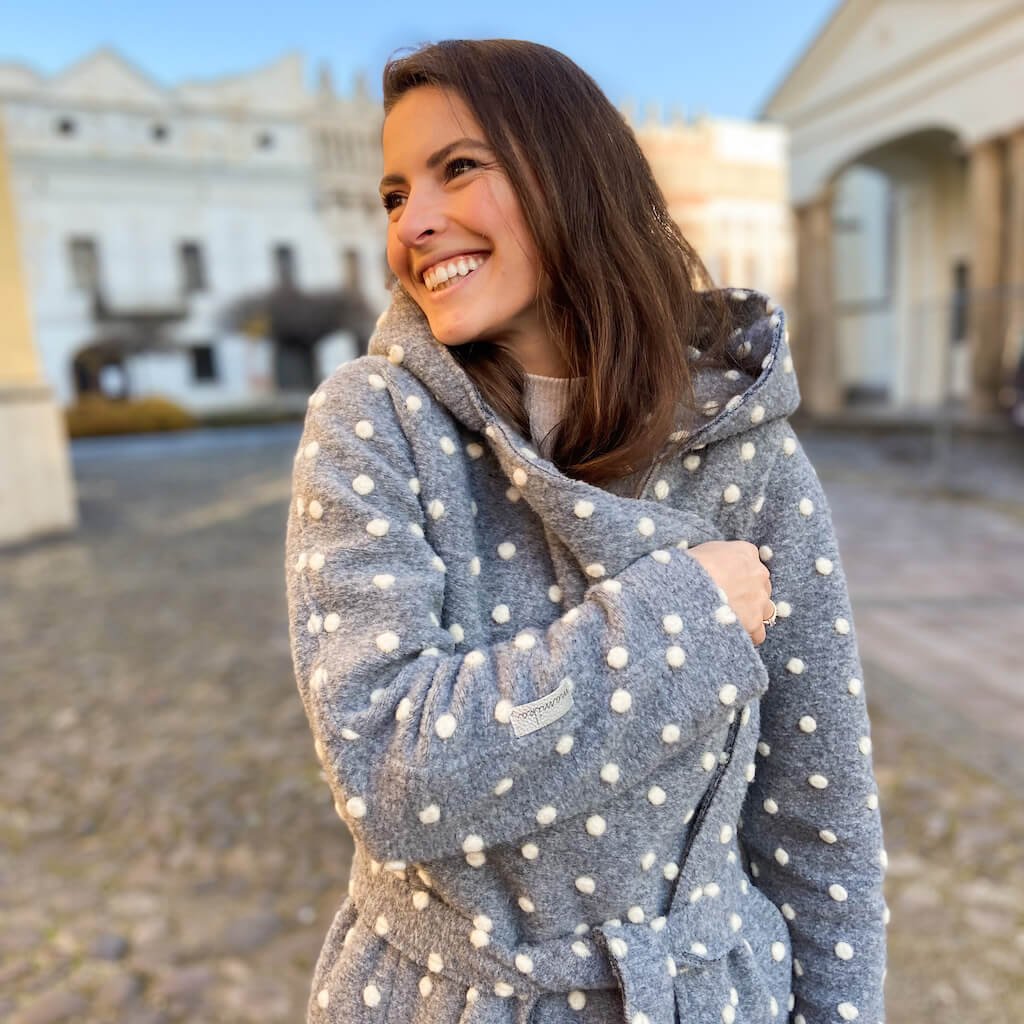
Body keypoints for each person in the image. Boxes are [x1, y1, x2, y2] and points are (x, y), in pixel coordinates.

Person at [285, 39, 887, 1024]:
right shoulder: (376, 422)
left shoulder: (746, 454)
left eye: (457, 168)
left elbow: (821, 828)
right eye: (393, 194)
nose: (412, 223)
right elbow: (389, 780)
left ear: (572, 175)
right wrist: (682, 626)